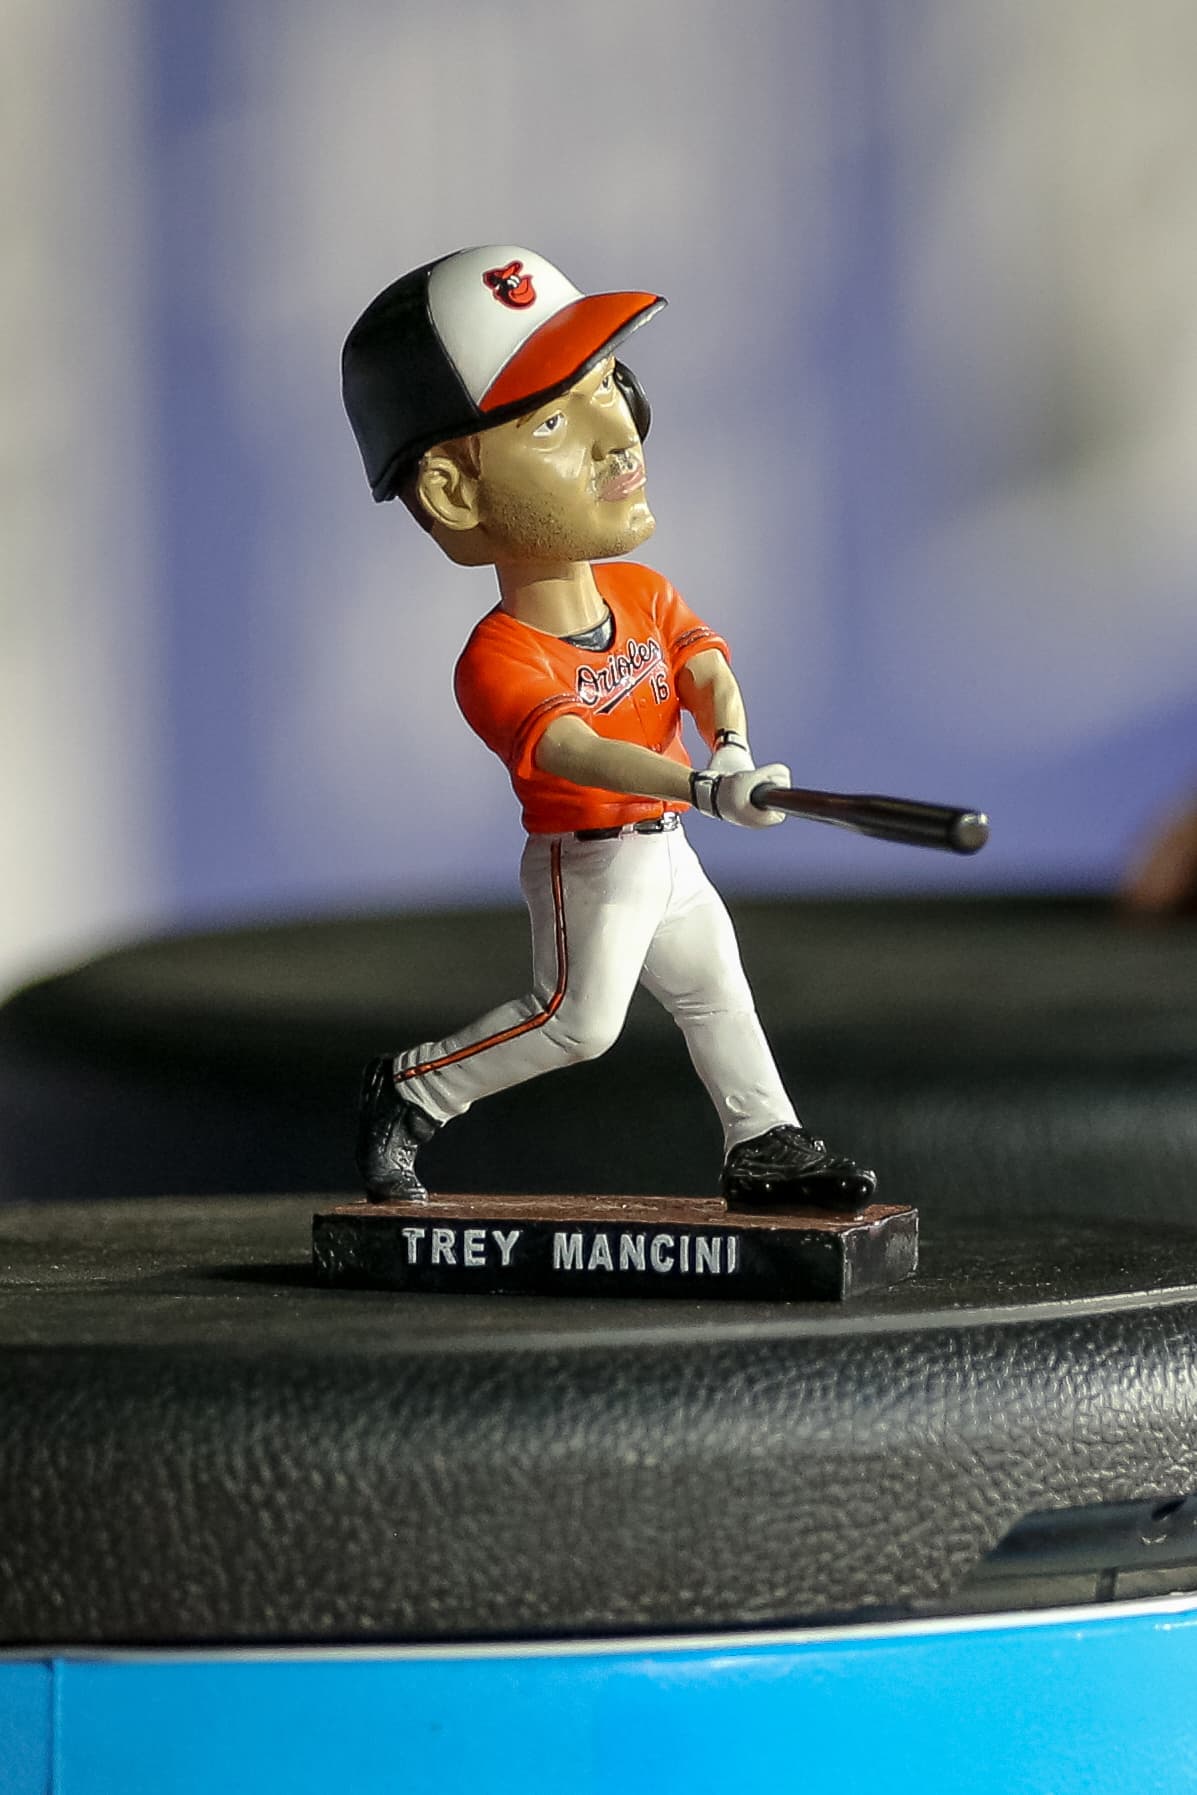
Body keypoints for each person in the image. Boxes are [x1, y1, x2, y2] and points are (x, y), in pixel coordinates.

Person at [341, 245, 875, 1212]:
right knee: (576, 1024)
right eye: (551, 419)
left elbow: (704, 669)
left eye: (607, 385)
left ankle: (763, 1143)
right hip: (586, 858)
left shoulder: (641, 590)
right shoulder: (497, 655)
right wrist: (705, 788)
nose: (620, 432)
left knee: (716, 986)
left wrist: (735, 752)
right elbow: (573, 747)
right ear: (454, 492)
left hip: (664, 848)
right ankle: (412, 1091)